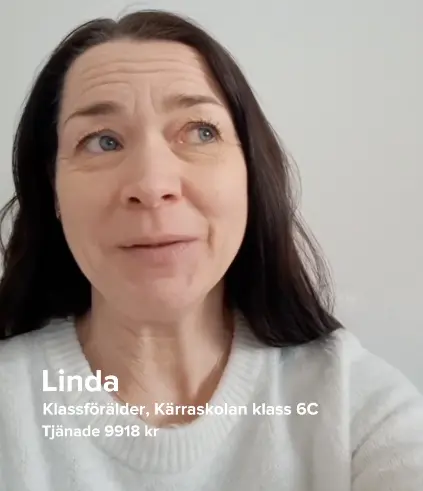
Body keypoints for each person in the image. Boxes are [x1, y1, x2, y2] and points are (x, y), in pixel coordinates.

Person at [0, 9, 422, 491]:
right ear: (52, 189)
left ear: (250, 174)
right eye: (103, 141)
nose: (152, 184)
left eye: (201, 131)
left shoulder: (355, 405)